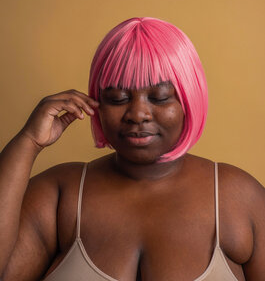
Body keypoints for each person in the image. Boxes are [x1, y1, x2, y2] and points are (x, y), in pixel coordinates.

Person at [0, 17, 264, 281]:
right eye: (118, 98)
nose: (137, 114)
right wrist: (28, 142)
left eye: (159, 97)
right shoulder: (59, 195)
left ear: (189, 98)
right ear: (97, 103)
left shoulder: (240, 199)